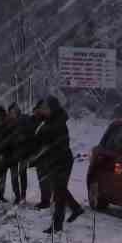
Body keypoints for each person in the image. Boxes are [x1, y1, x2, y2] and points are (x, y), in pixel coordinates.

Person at [32, 97, 82, 233]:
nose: (42, 110)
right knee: (60, 189)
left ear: (52, 109)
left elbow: (48, 141)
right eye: (42, 108)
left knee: (59, 193)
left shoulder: (57, 124)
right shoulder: (50, 120)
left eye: (45, 108)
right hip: (55, 160)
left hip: (62, 161)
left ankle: (57, 225)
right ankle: (76, 208)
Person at [4, 103, 30, 204]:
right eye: (10, 112)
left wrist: (22, 138)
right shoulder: (7, 122)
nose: (12, 114)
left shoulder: (24, 119)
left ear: (17, 111)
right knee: (14, 175)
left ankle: (23, 195)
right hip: (12, 153)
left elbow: (29, 133)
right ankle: (17, 196)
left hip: (23, 152)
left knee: (23, 174)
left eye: (14, 111)